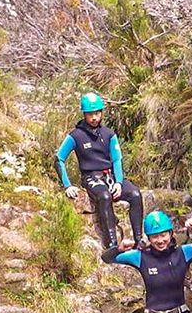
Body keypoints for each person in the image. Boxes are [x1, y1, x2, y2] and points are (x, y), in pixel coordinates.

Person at [54, 91, 144, 249]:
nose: (94, 118)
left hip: (109, 177)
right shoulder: (76, 136)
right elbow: (59, 159)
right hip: (91, 178)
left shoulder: (109, 134)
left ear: (101, 112)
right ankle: (112, 245)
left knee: (135, 194)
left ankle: (139, 240)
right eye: (90, 114)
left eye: (97, 113)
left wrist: (119, 182)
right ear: (84, 114)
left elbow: (117, 159)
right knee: (104, 196)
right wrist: (67, 185)